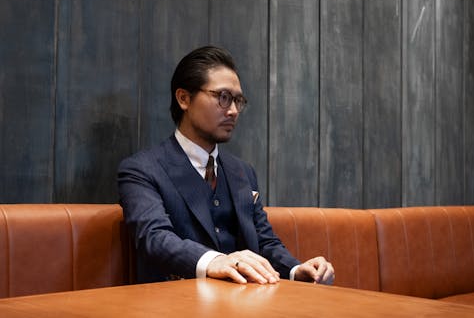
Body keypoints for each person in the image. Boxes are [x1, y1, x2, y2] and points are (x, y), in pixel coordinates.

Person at [117, 45, 334, 285]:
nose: (232, 111)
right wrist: (214, 261)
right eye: (223, 97)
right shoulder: (141, 169)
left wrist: (296, 269)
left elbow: (264, 241)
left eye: (238, 100)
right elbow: (154, 237)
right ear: (184, 98)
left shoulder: (241, 171)